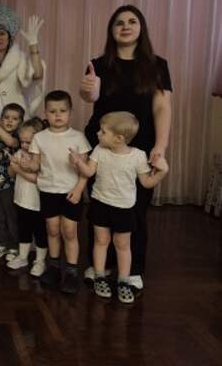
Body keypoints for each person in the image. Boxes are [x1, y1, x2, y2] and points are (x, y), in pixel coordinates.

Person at [79, 4, 172, 292]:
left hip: (140, 148)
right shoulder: (98, 64)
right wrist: (88, 91)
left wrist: (160, 145)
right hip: (101, 145)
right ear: (112, 30)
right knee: (101, 206)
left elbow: (162, 107)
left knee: (134, 211)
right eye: (119, 22)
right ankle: (100, 266)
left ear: (141, 28)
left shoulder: (157, 65)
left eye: (132, 21)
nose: (125, 26)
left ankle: (131, 271)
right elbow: (89, 96)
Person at [71, 111, 169, 303]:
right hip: (100, 204)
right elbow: (89, 172)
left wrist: (162, 172)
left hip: (124, 209)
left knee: (123, 245)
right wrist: (78, 162)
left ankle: (123, 280)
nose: (98, 134)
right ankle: (100, 276)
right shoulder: (99, 150)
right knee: (101, 241)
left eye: (103, 131)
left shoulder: (138, 156)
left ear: (119, 138)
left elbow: (147, 182)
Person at [24, 90, 91, 294]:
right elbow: (36, 165)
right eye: (52, 111)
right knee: (52, 229)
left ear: (70, 112)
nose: (58, 115)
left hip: (71, 192)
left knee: (69, 231)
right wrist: (27, 164)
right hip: (48, 190)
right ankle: (53, 266)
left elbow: (86, 169)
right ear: (45, 113)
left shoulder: (78, 137)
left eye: (62, 111)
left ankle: (71, 271)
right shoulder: (39, 138)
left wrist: (79, 189)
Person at [6, 118, 48, 276]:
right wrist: (13, 165)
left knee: (40, 232)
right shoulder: (20, 152)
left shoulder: (42, 157)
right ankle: (23, 257)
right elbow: (11, 174)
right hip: (21, 200)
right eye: (22, 141)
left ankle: (40, 261)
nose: (24, 145)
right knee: (23, 229)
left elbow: (37, 179)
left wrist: (19, 170)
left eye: (28, 142)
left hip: (36, 203)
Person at [0, 103, 24, 260]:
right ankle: (1, 243)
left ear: (20, 122)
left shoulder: (18, 138)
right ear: (1, 119)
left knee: (11, 216)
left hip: (10, 184)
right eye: (6, 117)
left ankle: (14, 246)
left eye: (14, 119)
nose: (9, 121)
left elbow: (10, 143)